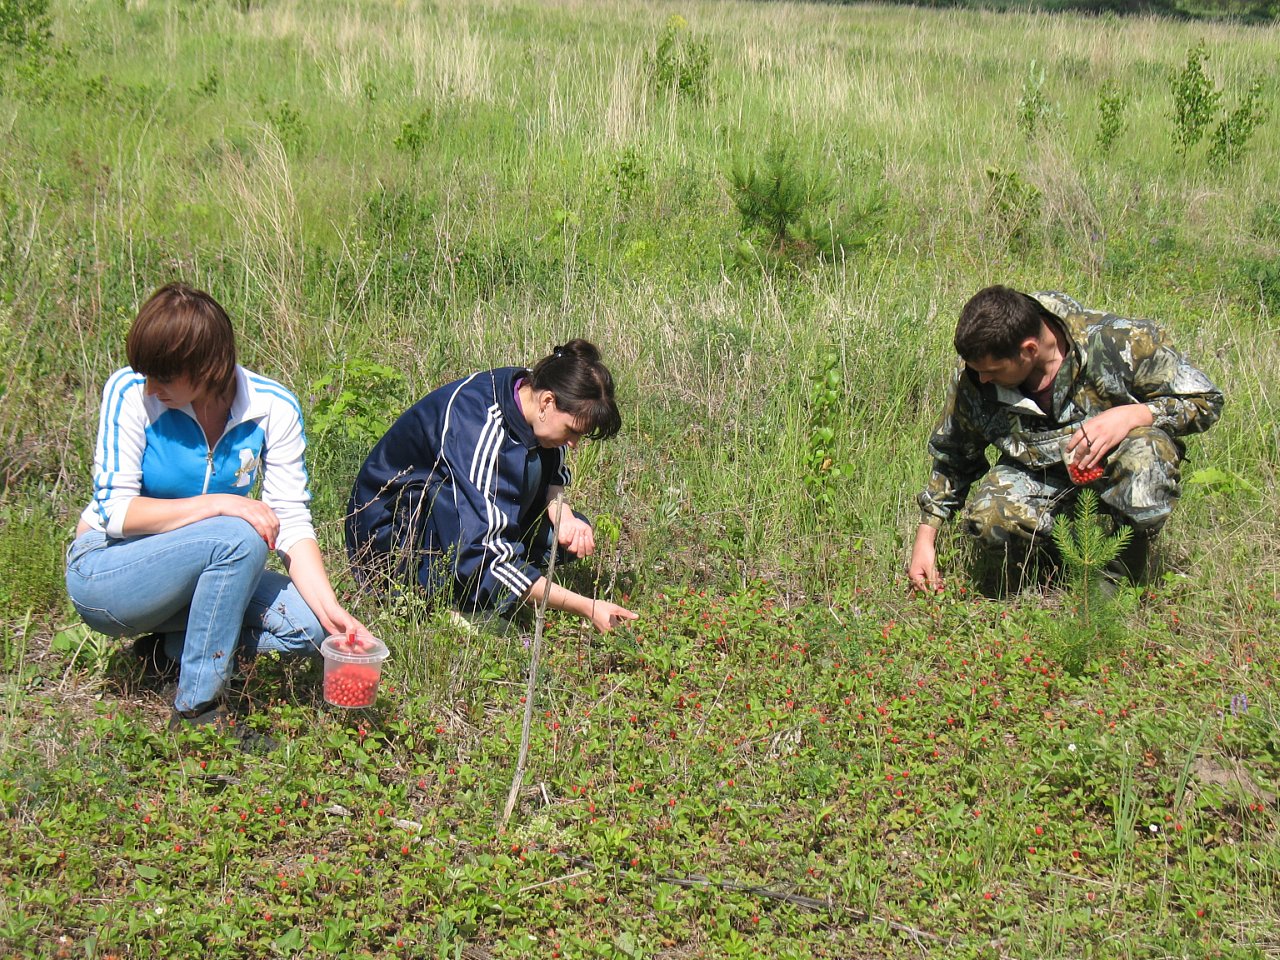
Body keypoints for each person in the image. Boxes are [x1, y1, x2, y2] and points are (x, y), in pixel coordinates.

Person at [65, 282, 370, 734]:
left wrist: (332, 609)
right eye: (148, 374)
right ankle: (199, 711)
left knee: (310, 629)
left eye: (164, 376)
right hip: (108, 572)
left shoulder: (272, 406)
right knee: (240, 534)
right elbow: (115, 511)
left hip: (203, 576)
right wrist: (221, 504)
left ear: (207, 369)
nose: (151, 386)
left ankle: (166, 653)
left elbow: (291, 521)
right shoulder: (129, 391)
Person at [907, 285, 1223, 594]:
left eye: (993, 370)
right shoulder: (978, 374)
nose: (983, 378)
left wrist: (1134, 414)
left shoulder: (1121, 342)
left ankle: (1116, 582)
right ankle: (1054, 569)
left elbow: (1206, 400)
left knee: (1147, 454)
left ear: (1029, 350)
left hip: (1115, 465)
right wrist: (926, 537)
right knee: (991, 517)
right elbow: (954, 454)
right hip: (1038, 473)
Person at [346, 339, 638, 633]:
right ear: (548, 402)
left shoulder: (534, 393)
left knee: (566, 537)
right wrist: (587, 607)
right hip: (391, 538)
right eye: (572, 431)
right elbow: (485, 555)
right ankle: (443, 599)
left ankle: (494, 586)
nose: (574, 444)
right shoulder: (480, 429)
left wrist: (565, 517)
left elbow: (553, 477)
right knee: (489, 567)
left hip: (447, 511)